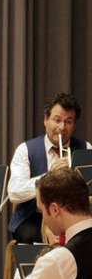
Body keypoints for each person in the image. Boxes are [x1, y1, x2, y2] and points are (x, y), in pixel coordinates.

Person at [8, 92, 91, 244]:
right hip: (34, 215)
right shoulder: (25, 149)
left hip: (73, 216)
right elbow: (14, 192)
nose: (62, 127)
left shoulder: (85, 148)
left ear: (74, 125)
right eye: (57, 120)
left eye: (68, 122)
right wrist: (49, 177)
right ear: (46, 120)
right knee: (30, 238)